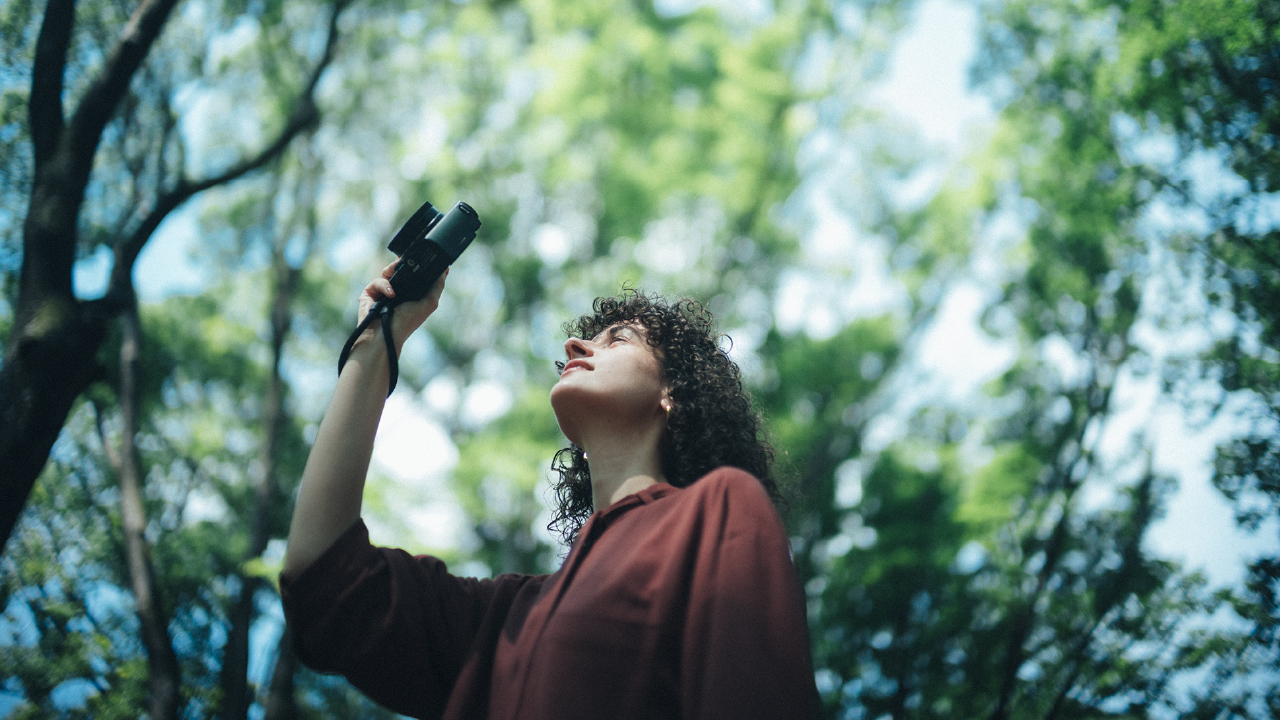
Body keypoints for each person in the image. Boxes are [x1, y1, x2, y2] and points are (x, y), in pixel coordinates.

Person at [280, 262, 822, 720]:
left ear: (672, 394)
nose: (574, 344)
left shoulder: (721, 509)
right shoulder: (503, 621)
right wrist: (378, 342)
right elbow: (326, 583)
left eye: (620, 338)